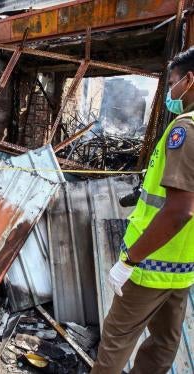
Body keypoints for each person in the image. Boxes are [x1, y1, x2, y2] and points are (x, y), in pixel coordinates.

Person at [91, 47, 194, 374]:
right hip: (183, 268)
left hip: (148, 265)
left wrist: (130, 260)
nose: (170, 91)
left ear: (189, 80)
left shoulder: (185, 131)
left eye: (174, 82)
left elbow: (180, 210)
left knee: (115, 341)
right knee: (163, 344)